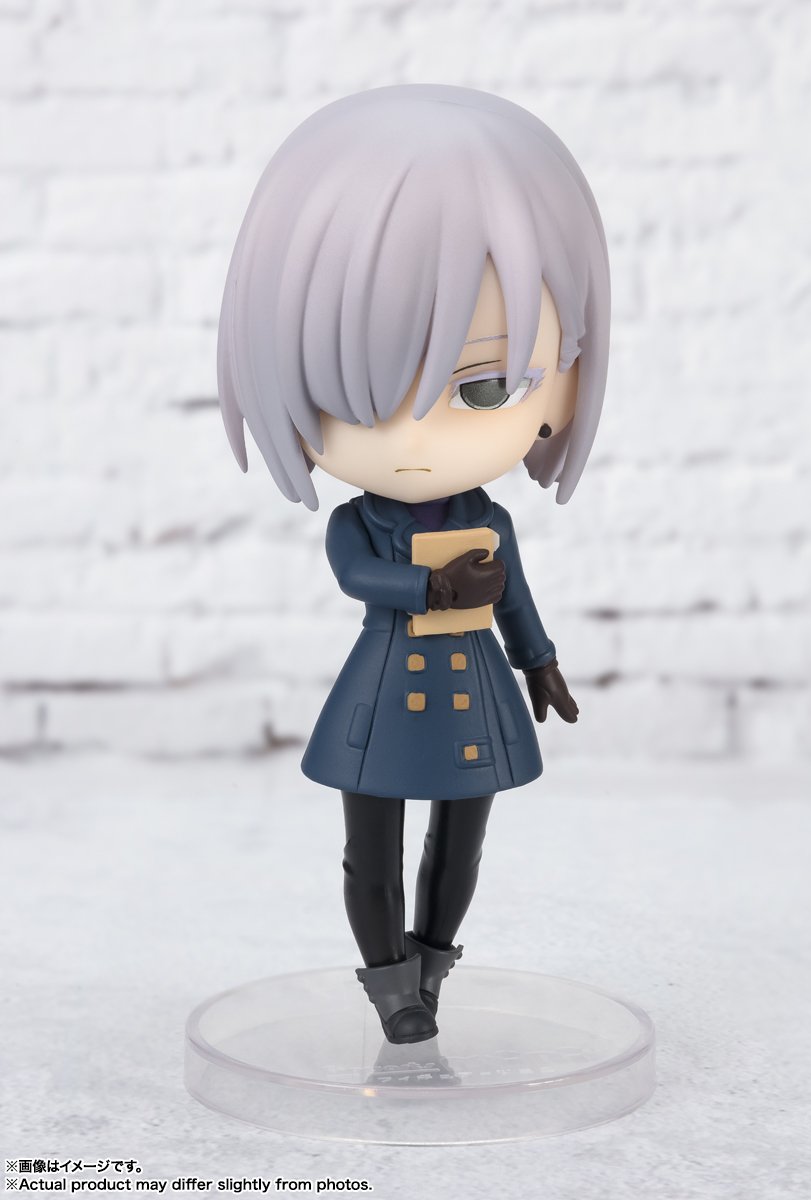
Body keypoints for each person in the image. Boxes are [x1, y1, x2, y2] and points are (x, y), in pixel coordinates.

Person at [217, 84, 610, 1044]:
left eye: (485, 386)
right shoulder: (359, 525)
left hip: (475, 697)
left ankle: (434, 964)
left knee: (460, 844)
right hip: (380, 700)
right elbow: (358, 576)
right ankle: (391, 985)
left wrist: (540, 661)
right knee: (371, 852)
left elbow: (515, 597)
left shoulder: (490, 520)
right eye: (358, 396)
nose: (420, 437)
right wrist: (430, 587)